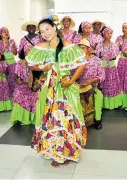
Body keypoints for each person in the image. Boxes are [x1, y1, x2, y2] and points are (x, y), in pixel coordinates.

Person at [27, 15, 87, 168]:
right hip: (47, 89)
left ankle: (66, 152)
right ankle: (53, 151)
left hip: (64, 88)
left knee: (65, 119)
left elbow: (82, 63)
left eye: (47, 29)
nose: (45, 33)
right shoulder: (41, 46)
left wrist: (72, 80)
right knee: (50, 120)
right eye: (42, 31)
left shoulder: (66, 44)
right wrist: (42, 68)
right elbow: (31, 64)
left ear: (54, 27)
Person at [78, 39, 105, 130]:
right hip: (78, 86)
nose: (81, 50)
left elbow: (102, 76)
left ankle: (98, 120)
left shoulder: (96, 60)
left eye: (83, 48)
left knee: (98, 96)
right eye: (79, 48)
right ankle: (78, 121)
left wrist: (91, 81)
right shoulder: (76, 61)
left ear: (88, 49)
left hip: (92, 86)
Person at [95, 27, 122, 110]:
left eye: (110, 33)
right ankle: (103, 103)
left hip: (111, 67)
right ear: (103, 33)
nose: (109, 35)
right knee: (103, 85)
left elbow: (116, 56)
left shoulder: (114, 44)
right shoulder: (99, 45)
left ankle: (113, 103)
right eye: (107, 33)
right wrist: (100, 56)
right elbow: (97, 56)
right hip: (102, 67)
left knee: (112, 85)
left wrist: (112, 57)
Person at [10, 47, 38, 126]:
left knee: (35, 95)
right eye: (27, 51)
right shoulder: (19, 63)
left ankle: (30, 118)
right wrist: (18, 79)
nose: (28, 53)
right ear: (24, 53)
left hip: (32, 86)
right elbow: (16, 75)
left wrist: (33, 83)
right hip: (21, 85)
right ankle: (18, 118)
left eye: (30, 51)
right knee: (19, 93)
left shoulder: (35, 63)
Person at [0, 27, 17, 95]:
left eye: (7, 31)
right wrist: (4, 46)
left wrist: (12, 47)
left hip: (13, 64)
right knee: (4, 82)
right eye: (4, 32)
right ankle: (6, 98)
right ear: (0, 34)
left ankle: (13, 98)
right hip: (3, 65)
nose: (6, 33)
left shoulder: (12, 41)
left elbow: (15, 53)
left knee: (13, 81)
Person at [115, 23, 127, 90]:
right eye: (123, 28)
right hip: (121, 60)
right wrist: (120, 46)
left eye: (126, 28)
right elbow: (116, 49)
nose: (124, 29)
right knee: (121, 77)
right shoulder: (119, 38)